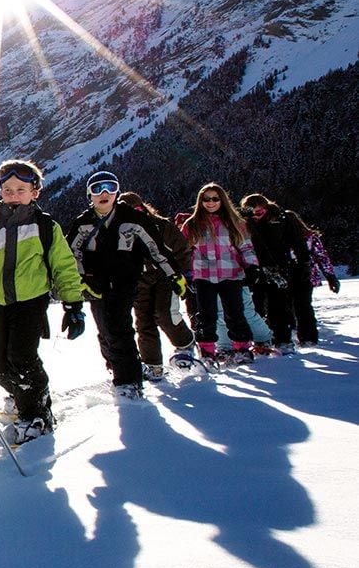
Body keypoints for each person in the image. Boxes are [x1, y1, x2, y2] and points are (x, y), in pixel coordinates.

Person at [0, 159, 87, 444]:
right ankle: (23, 394)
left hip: (30, 301)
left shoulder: (45, 226)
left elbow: (64, 267)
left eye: (20, 189)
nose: (13, 194)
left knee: (22, 359)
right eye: (7, 189)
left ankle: (36, 416)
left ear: (35, 191)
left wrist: (73, 306)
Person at [66, 171, 186, 400]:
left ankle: (129, 381)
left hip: (126, 282)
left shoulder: (133, 219)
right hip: (95, 285)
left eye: (109, 187)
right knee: (104, 329)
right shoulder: (83, 223)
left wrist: (174, 275)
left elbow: (156, 249)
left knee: (119, 326)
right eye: (97, 188)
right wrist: (81, 281)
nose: (104, 193)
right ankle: (116, 366)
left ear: (117, 193)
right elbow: (70, 255)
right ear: (89, 195)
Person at [117, 192, 195, 380]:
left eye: (137, 210)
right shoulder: (120, 230)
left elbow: (182, 249)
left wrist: (184, 274)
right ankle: (152, 364)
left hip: (165, 276)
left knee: (165, 313)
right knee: (144, 323)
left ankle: (185, 343)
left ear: (143, 207)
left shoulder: (160, 225)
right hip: (138, 280)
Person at [181, 183, 258, 365]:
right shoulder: (192, 224)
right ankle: (207, 351)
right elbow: (183, 251)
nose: (211, 203)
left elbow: (245, 246)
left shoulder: (234, 223)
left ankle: (242, 348)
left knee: (234, 313)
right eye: (206, 199)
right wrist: (186, 273)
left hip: (230, 273)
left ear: (222, 200)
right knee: (206, 314)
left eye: (215, 198)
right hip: (203, 275)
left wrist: (252, 266)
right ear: (201, 201)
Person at [240, 193, 315, 350]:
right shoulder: (244, 223)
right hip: (254, 269)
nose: (256, 217)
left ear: (266, 208)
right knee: (255, 307)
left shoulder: (281, 219)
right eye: (252, 213)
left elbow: (298, 242)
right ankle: (261, 340)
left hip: (279, 267)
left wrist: (304, 263)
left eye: (260, 213)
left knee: (279, 306)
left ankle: (283, 340)